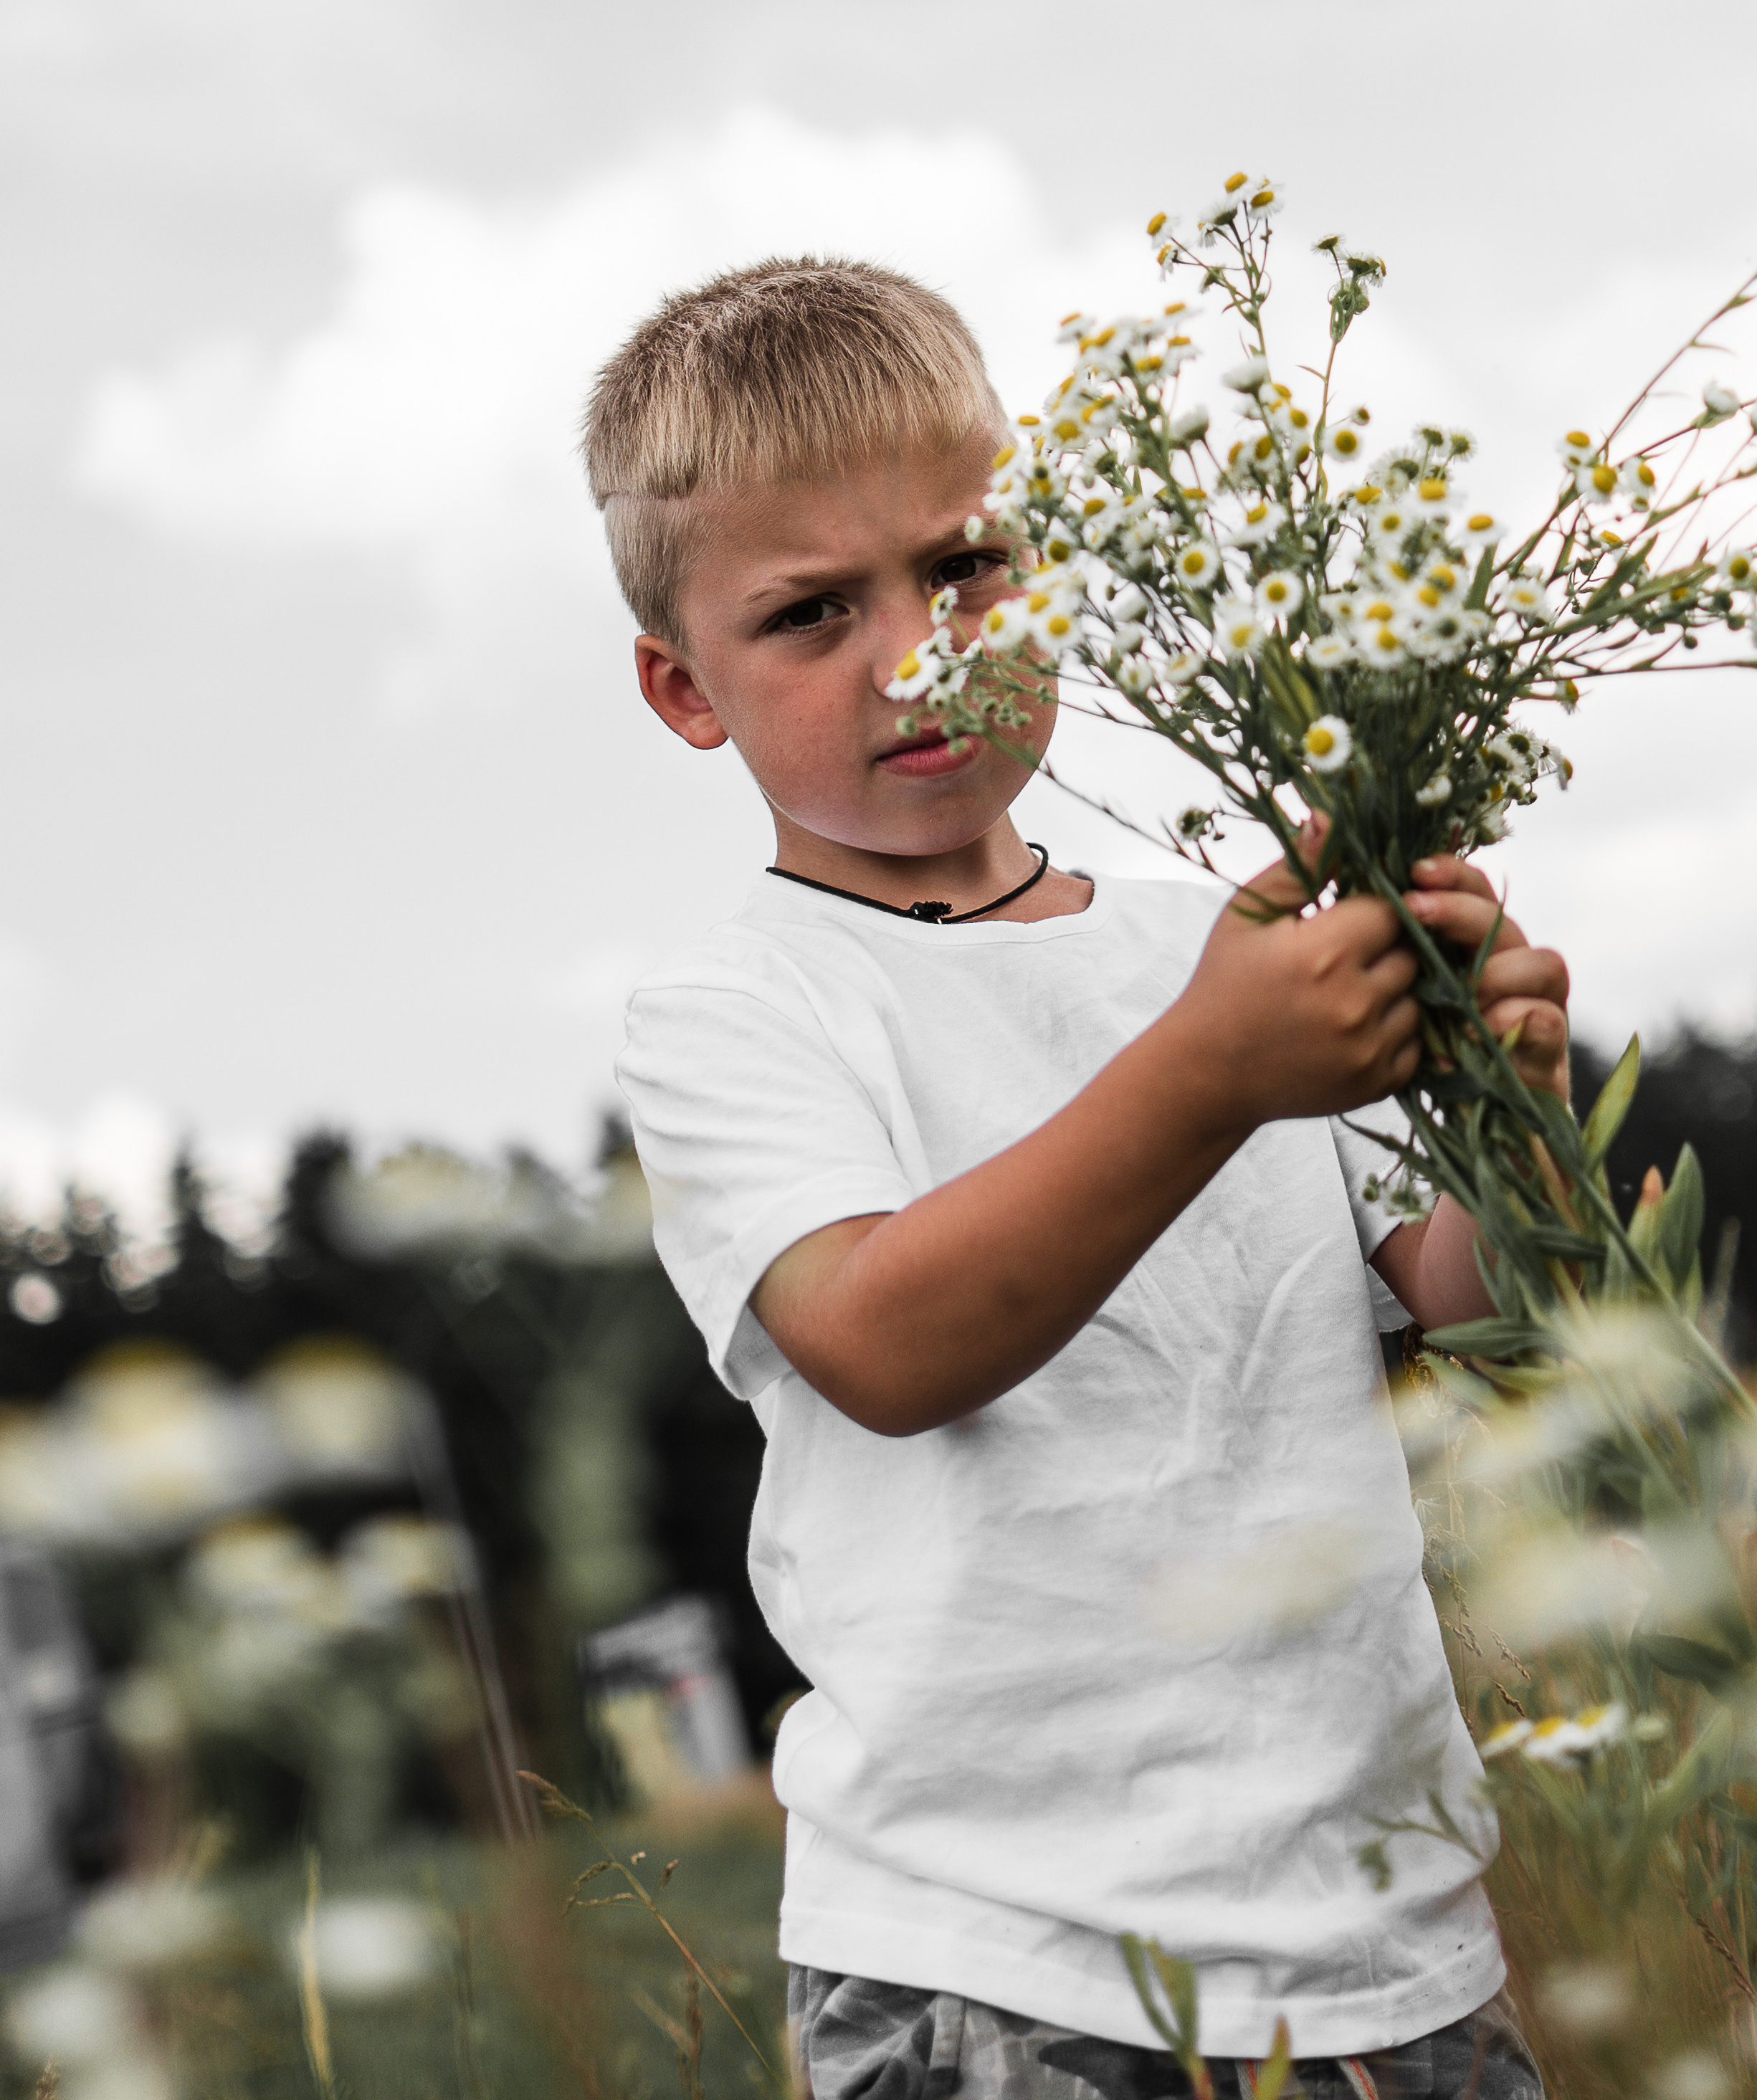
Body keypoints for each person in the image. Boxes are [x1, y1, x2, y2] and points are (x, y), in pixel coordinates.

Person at [594, 257, 1565, 2099]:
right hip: (996, 1969)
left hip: (1390, 1946)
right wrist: (1210, 1068)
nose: (922, 656)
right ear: (682, 687)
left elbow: (1472, 1305)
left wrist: (1503, 1108)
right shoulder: (739, 1007)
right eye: (809, 613)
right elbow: (887, 1340)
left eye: (961, 569)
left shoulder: (1218, 948)